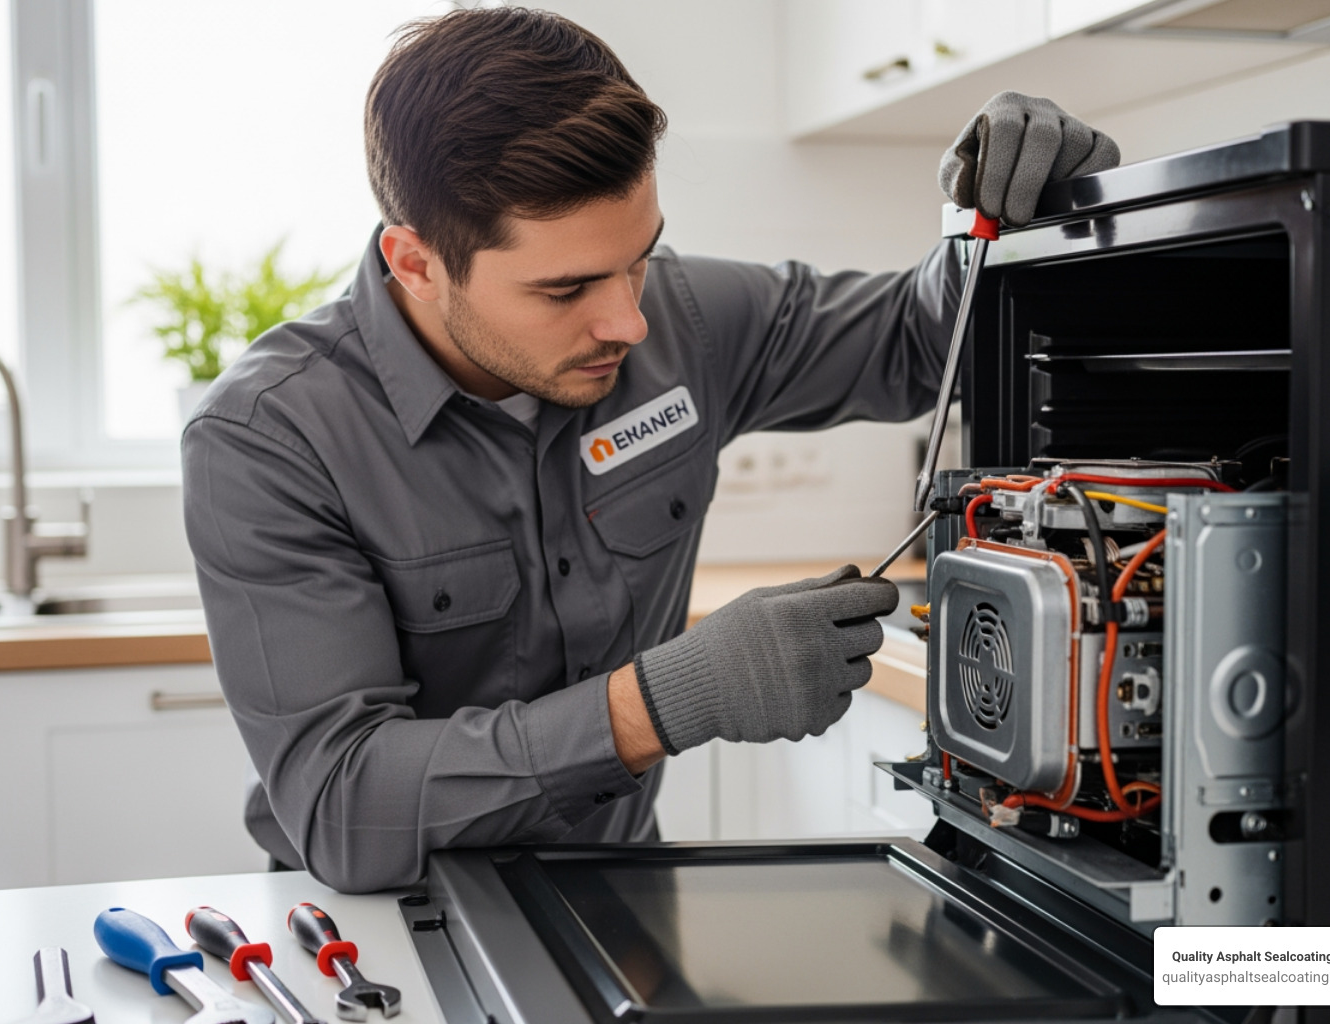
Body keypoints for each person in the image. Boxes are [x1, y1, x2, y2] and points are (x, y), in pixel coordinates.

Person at [181, 7, 1120, 893]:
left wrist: (998, 223)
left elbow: (919, 342)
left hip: (620, 898)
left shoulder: (684, 324)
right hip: (374, 935)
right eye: (566, 290)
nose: (629, 320)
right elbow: (344, 809)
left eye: (640, 258)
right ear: (416, 263)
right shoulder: (271, 437)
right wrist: (662, 700)